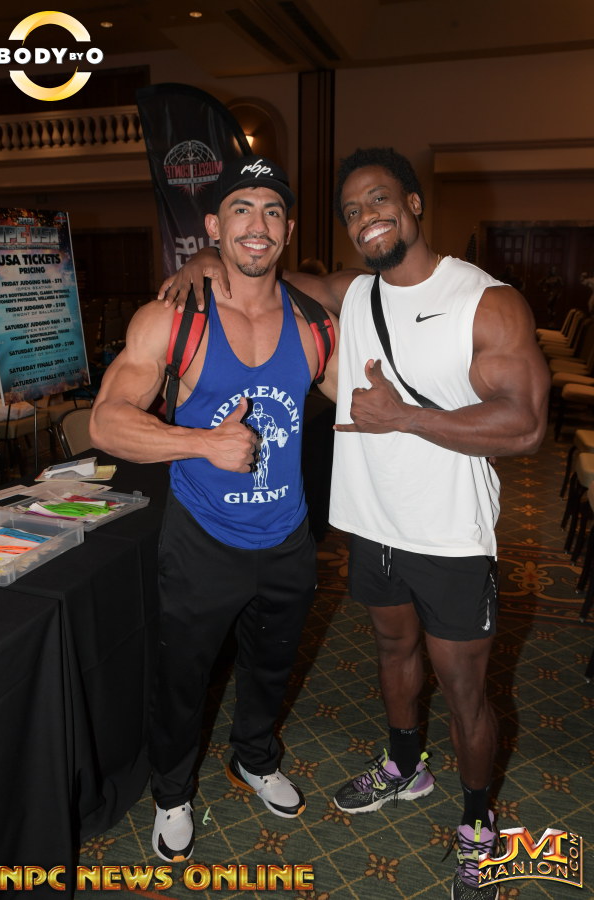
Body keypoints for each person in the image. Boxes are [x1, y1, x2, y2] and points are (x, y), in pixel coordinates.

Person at [159, 147, 550, 899]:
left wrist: (404, 417)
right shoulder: (352, 293)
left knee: (464, 690)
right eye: (351, 210)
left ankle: (478, 819)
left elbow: (526, 425)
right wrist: (208, 259)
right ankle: (405, 764)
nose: (366, 216)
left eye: (379, 199)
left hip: (450, 536)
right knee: (393, 652)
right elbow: (260, 270)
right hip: (372, 526)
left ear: (413, 204)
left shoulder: (486, 301)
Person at [89, 156, 339, 864]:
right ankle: (172, 793)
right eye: (241, 209)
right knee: (182, 679)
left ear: (288, 229)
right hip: (201, 538)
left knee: (272, 666)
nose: (257, 225)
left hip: (288, 535)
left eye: (272, 211)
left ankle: (254, 757)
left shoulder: (315, 325)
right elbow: (106, 422)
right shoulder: (174, 319)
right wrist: (202, 442)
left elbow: (362, 402)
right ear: (213, 226)